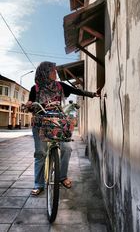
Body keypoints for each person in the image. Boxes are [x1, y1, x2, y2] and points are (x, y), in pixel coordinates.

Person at [27, 61, 99, 196]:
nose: (55, 73)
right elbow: (30, 104)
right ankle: (39, 184)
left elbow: (77, 91)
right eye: (52, 71)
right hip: (40, 124)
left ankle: (62, 177)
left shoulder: (60, 86)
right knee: (40, 153)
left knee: (67, 148)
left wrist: (93, 94)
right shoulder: (35, 89)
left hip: (57, 123)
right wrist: (29, 105)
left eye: (55, 70)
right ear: (45, 72)